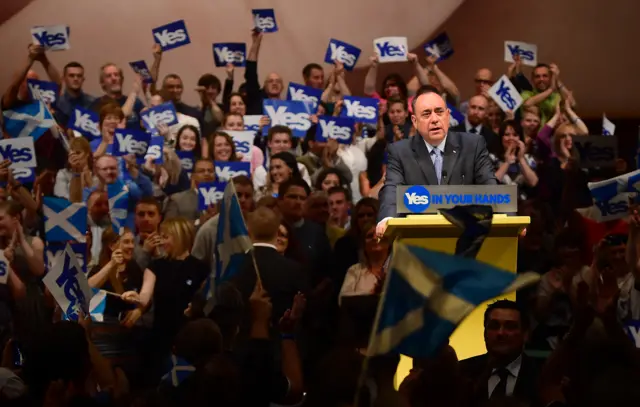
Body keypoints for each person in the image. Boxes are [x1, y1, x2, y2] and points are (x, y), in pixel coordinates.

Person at [376, 86, 497, 237]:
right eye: (426, 114)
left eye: (439, 112)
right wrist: (388, 219)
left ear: (447, 115)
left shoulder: (473, 145)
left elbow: (490, 186)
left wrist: (509, 219)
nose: (434, 119)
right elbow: (392, 189)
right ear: (414, 121)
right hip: (418, 240)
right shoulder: (400, 151)